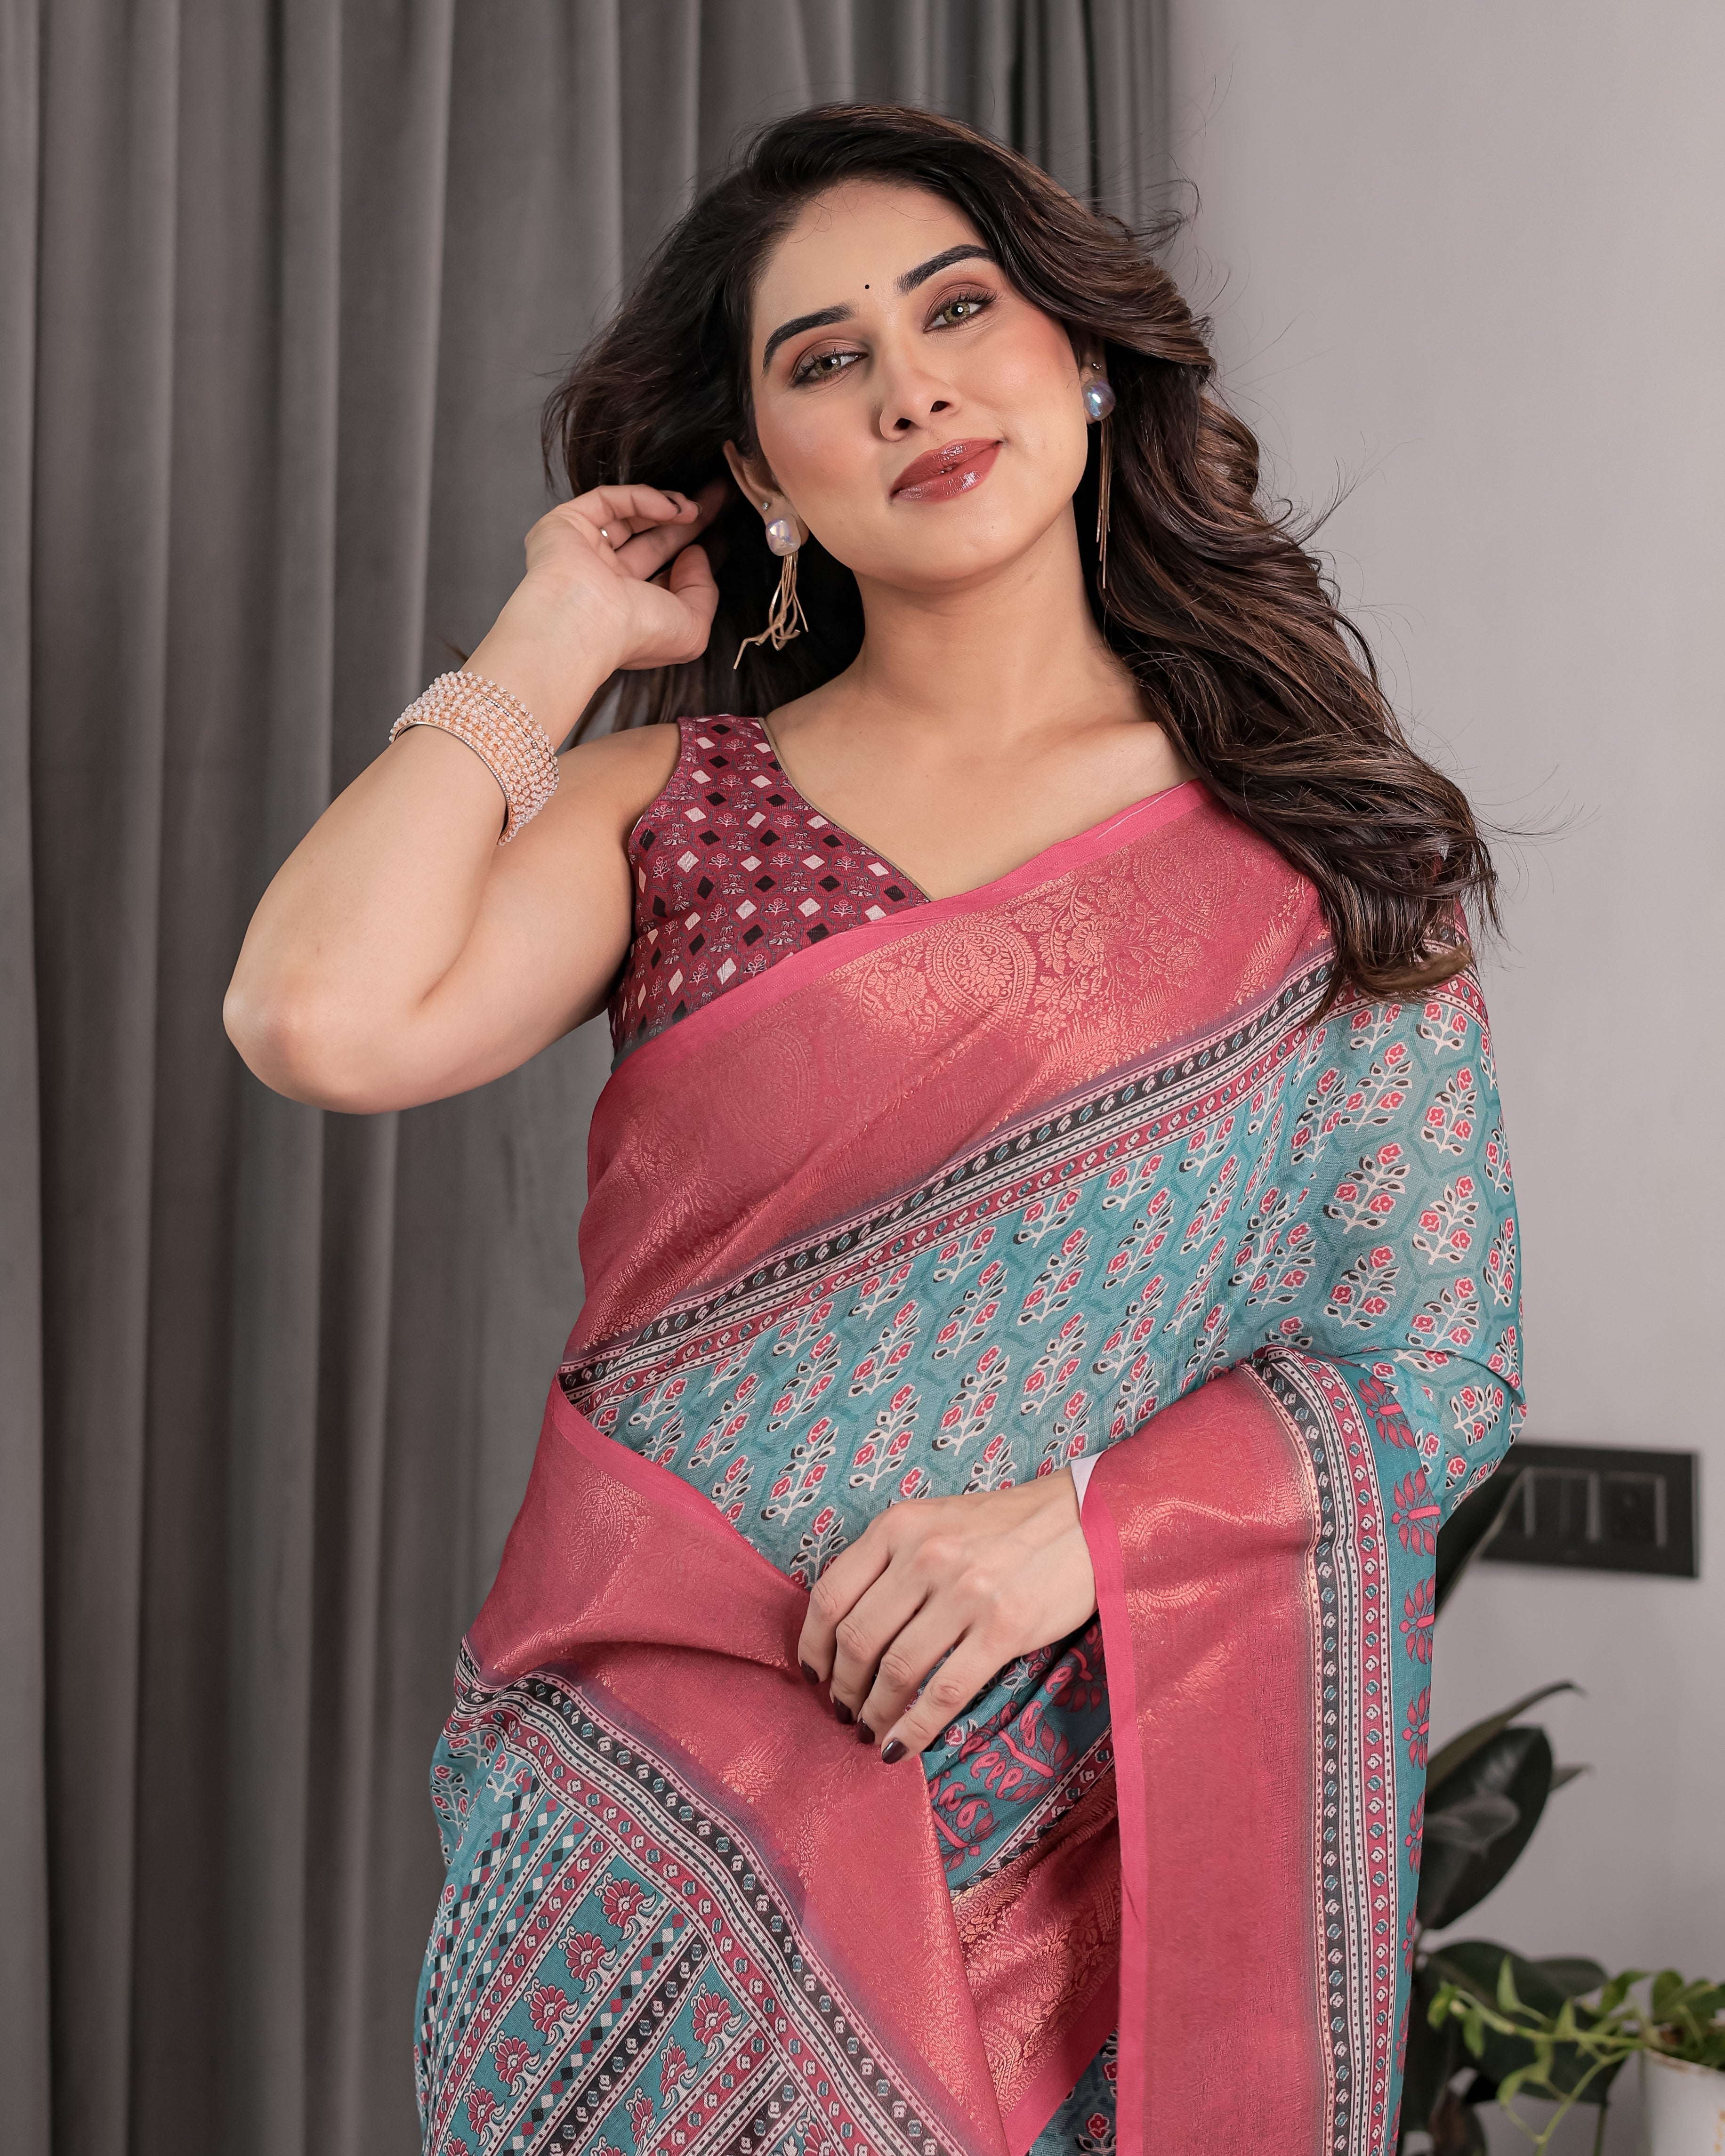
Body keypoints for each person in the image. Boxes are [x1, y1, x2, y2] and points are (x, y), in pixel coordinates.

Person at [226, 105, 1522, 2156]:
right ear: (761, 472)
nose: (910, 385)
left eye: (958, 311)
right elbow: (314, 1014)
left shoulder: (1314, 846)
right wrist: (551, 640)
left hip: (1069, 1840)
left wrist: (1076, 1524)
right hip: (641, 1827)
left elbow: (1428, 1357)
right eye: (825, 360)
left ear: (1081, 360)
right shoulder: (673, 809)